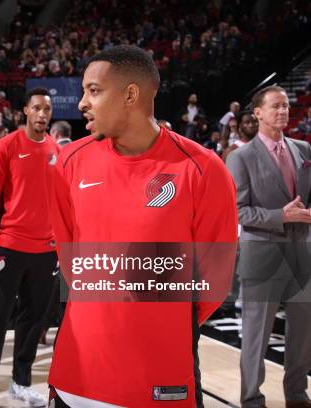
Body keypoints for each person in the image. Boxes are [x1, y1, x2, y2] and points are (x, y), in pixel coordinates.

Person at [48, 45, 238, 407]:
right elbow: (71, 258)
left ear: (131, 94)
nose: (81, 104)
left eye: (94, 90)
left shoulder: (203, 169)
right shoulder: (70, 161)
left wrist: (154, 320)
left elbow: (213, 283)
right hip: (77, 373)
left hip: (157, 378)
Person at [0, 88, 60, 408]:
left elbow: (58, 201)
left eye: (47, 109)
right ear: (25, 110)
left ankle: (20, 383)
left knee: (34, 320)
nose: (42, 114)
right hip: (8, 246)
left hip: (46, 250)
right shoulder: (7, 145)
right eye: (36, 108)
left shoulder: (55, 149)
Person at [226, 85, 311, 408]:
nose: (283, 111)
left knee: (302, 334)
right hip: (263, 253)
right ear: (257, 113)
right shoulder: (241, 157)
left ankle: (297, 393)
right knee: (256, 335)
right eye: (275, 106)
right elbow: (238, 210)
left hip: (303, 252)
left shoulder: (303, 149)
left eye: (286, 106)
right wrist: (281, 215)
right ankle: (251, 398)